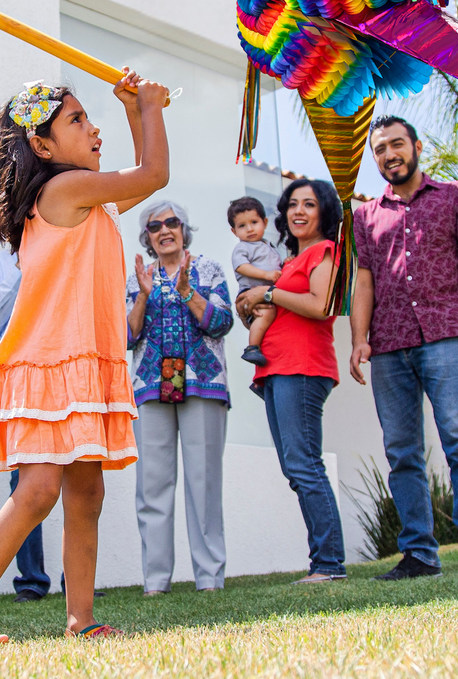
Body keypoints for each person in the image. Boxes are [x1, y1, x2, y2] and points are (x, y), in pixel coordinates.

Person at [0, 71, 169, 648]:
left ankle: (81, 619)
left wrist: (135, 113)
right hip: (46, 364)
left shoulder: (87, 196)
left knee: (87, 493)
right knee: (38, 491)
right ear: (42, 147)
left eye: (91, 118)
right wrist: (148, 105)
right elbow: (156, 174)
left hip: (84, 364)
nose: (92, 129)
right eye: (76, 120)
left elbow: (141, 177)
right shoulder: (62, 191)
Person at [349, 116, 458, 581]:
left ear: (416, 147)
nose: (389, 154)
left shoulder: (457, 196)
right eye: (380, 150)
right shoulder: (365, 215)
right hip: (389, 344)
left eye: (397, 144)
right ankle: (419, 553)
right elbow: (365, 280)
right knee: (402, 452)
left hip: (445, 337)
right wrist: (360, 339)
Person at [237, 178, 347, 584]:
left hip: (303, 367)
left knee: (304, 464)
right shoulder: (285, 263)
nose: (299, 211)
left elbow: (319, 306)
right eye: (293, 204)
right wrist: (252, 305)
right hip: (276, 367)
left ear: (324, 213)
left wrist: (267, 295)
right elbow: (276, 308)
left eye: (310, 204)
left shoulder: (325, 252)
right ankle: (323, 560)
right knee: (294, 468)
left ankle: (329, 564)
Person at [126, 200, 234, 596]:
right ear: (148, 238)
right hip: (154, 384)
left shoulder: (208, 269)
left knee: (203, 482)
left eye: (172, 223)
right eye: (155, 226)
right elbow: (126, 336)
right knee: (152, 484)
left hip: (202, 381)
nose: (164, 230)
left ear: (184, 230)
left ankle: (209, 578)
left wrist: (188, 293)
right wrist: (142, 296)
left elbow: (222, 323)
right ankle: (155, 580)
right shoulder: (138, 277)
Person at [0, 248, 51, 602]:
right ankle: (32, 581)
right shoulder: (2, 264)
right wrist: (25, 269)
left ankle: (78, 582)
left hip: (63, 367)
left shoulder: (65, 245)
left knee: (80, 475)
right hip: (19, 381)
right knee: (26, 482)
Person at [227, 196, 282, 367]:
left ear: (264, 222)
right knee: (266, 314)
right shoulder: (243, 247)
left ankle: (266, 352)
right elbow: (241, 267)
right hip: (250, 292)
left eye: (254, 222)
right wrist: (266, 275)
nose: (249, 229)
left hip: (267, 293)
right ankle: (252, 347)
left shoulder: (268, 245)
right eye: (242, 226)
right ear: (234, 232)